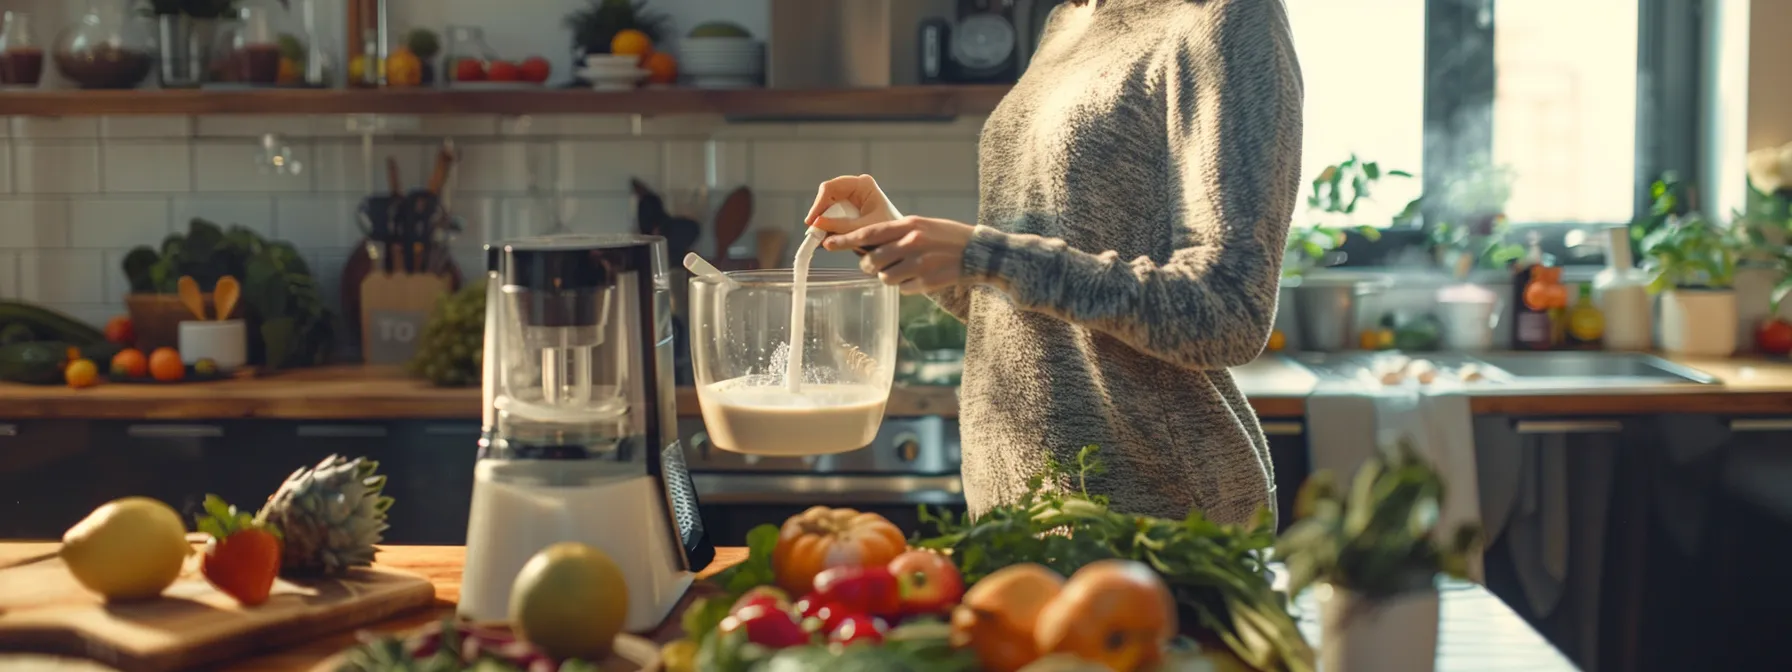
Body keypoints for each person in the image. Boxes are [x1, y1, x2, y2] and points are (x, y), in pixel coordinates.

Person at [803, 0, 1304, 526]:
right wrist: (920, 246)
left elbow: (1230, 310)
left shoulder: (1225, 16)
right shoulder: (1069, 20)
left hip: (1156, 519)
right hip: (1013, 514)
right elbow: (1034, 314)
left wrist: (984, 254)